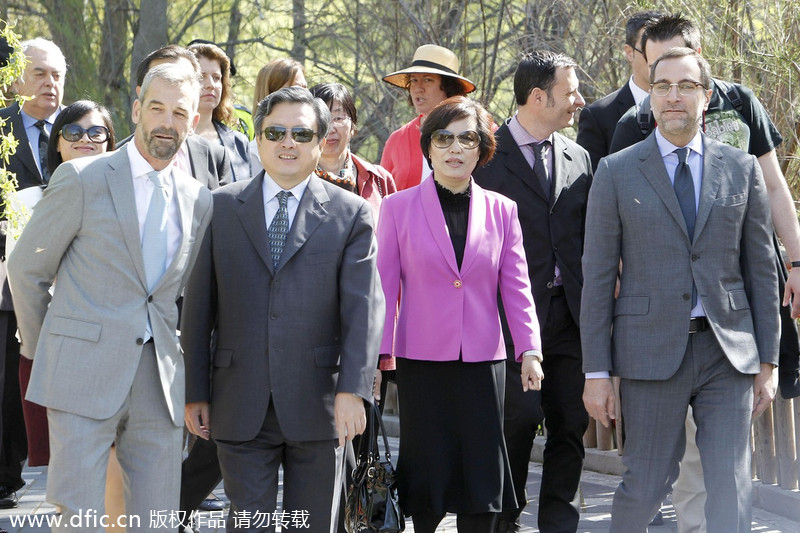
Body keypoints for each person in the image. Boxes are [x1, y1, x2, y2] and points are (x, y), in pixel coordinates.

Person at [607, 14, 800, 532]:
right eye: (662, 84)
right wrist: (600, 369)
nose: (673, 95)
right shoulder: (621, 159)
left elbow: (761, 266)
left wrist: (769, 358)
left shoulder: (739, 162)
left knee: (731, 482)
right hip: (651, 348)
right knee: (645, 484)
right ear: (649, 90)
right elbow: (606, 268)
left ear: (706, 94)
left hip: (726, 348)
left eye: (686, 85)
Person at [7, 63, 213, 529]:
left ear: (193, 122)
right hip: (80, 374)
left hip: (159, 386)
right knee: (77, 515)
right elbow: (26, 269)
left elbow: (179, 296)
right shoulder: (83, 177)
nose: (166, 122)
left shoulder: (199, 199)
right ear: (137, 109)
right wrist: (52, 351)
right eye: (156, 108)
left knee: (157, 519)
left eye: (179, 113)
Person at [181, 86, 384, 532]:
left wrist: (354, 390)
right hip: (238, 401)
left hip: (321, 404)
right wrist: (194, 389)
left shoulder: (350, 214)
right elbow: (198, 309)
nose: (287, 143)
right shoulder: (219, 206)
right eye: (275, 132)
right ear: (258, 141)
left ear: (320, 141)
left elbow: (364, 310)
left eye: (300, 133)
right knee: (248, 524)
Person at [377, 96, 542, 533]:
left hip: (484, 361)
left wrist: (529, 350)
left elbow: (517, 286)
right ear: (428, 147)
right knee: (428, 471)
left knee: (482, 473)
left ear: (482, 148)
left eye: (466, 138)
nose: (454, 148)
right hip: (420, 360)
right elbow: (383, 289)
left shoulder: (503, 210)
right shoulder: (397, 209)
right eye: (443, 138)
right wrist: (377, 358)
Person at [472, 50, 591, 533]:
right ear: (538, 96)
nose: (579, 101)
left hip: (570, 316)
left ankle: (559, 519)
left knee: (570, 424)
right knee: (516, 423)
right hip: (508, 320)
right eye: (570, 92)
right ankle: (506, 516)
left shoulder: (578, 156)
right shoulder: (483, 155)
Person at [0, 36, 66, 509]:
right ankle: (5, 475)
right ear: (16, 79)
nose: (50, 83)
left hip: (69, 280)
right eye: (40, 73)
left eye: (57, 75)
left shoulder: (79, 128)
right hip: (8, 281)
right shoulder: (3, 130)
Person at [123, 44, 232, 190]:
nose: (172, 84)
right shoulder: (110, 159)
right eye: (160, 76)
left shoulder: (215, 157)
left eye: (182, 79)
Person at [576, 10, 663, 170]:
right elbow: (592, 186)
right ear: (629, 53)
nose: (660, 61)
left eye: (667, 52)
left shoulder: (695, 104)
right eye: (648, 51)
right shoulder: (598, 116)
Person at [380, 44, 475, 190]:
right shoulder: (397, 139)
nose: (418, 88)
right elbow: (381, 194)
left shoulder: (476, 133)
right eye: (413, 80)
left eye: (428, 80)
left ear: (449, 87)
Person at [188, 42, 250, 181]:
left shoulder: (239, 142)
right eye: (201, 77)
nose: (211, 84)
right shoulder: (172, 138)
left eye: (216, 78)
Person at [248, 58, 307, 175]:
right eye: (294, 90)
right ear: (269, 94)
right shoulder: (249, 156)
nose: (303, 97)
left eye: (304, 89)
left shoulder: (312, 146)